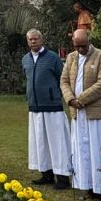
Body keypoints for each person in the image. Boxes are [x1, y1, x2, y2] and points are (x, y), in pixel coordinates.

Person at [60, 29, 101, 201]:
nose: (80, 50)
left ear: (89, 41)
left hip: (97, 113)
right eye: (77, 46)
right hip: (78, 114)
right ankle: (87, 187)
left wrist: (81, 99)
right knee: (83, 152)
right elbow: (63, 81)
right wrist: (70, 99)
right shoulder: (71, 58)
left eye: (83, 46)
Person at [23, 28, 71, 188]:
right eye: (30, 39)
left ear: (41, 40)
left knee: (57, 143)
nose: (33, 41)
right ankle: (46, 173)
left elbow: (62, 79)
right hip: (34, 107)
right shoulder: (26, 59)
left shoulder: (53, 58)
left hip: (52, 107)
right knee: (40, 142)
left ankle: (63, 177)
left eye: (36, 39)